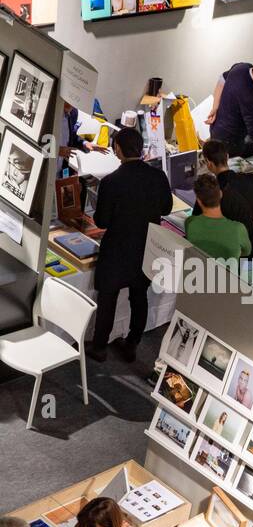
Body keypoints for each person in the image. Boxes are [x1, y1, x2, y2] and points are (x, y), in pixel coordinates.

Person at [89, 128, 173, 364]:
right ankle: (132, 343)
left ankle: (99, 347)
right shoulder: (158, 176)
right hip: (146, 246)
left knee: (108, 298)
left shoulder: (110, 182)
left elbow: (102, 221)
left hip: (117, 249)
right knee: (139, 296)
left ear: (117, 149)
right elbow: (166, 208)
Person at [201, 139, 253, 259]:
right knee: (251, 272)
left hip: (224, 253)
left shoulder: (210, 192)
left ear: (208, 163)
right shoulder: (252, 180)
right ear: (227, 156)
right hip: (250, 247)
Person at [185, 174, 252, 261]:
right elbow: (247, 252)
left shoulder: (190, 223)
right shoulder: (238, 229)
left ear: (199, 201)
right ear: (220, 194)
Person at [58, 101, 107, 178]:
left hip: (61, 168)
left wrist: (85, 143)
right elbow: (39, 145)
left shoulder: (73, 112)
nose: (71, 104)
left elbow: (73, 137)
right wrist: (57, 151)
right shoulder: (49, 113)